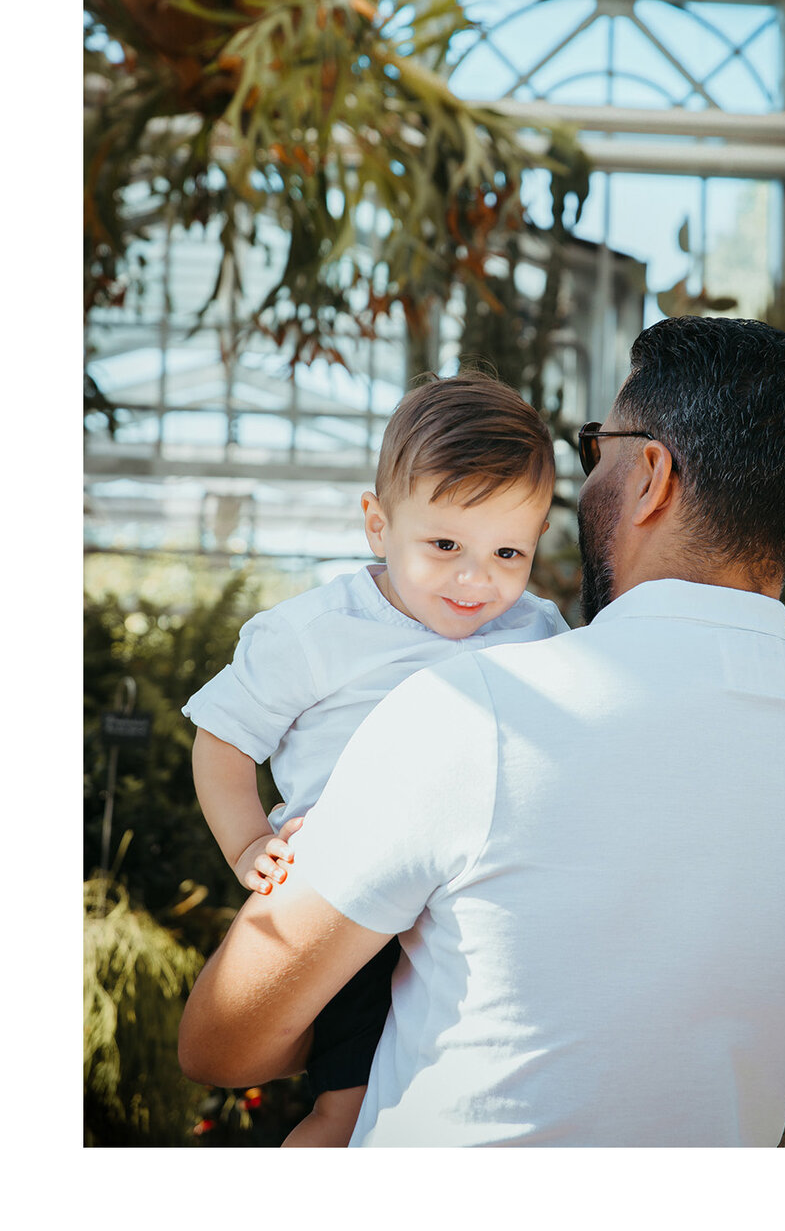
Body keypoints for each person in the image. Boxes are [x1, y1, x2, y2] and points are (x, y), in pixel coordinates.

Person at [178, 316, 785, 1148]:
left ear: (651, 475)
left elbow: (220, 1040)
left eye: (597, 454)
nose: (582, 493)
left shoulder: (475, 710)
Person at [181, 372, 568, 1146]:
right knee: (346, 1112)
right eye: (445, 544)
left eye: (508, 551)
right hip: (349, 899)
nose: (476, 577)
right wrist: (249, 840)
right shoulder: (316, 631)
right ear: (377, 524)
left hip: (472, 901)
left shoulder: (539, 630)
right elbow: (223, 738)